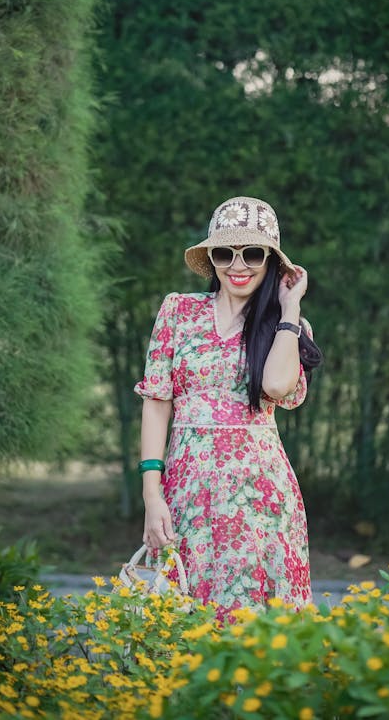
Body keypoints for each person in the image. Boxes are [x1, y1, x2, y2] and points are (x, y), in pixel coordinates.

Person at [134, 196, 322, 618]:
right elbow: (157, 402)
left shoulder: (287, 328)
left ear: (271, 260)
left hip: (262, 496)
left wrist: (290, 308)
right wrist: (152, 492)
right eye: (225, 253)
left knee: (261, 626)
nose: (239, 266)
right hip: (187, 490)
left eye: (253, 254)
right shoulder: (178, 311)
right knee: (185, 616)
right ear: (212, 259)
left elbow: (276, 386)